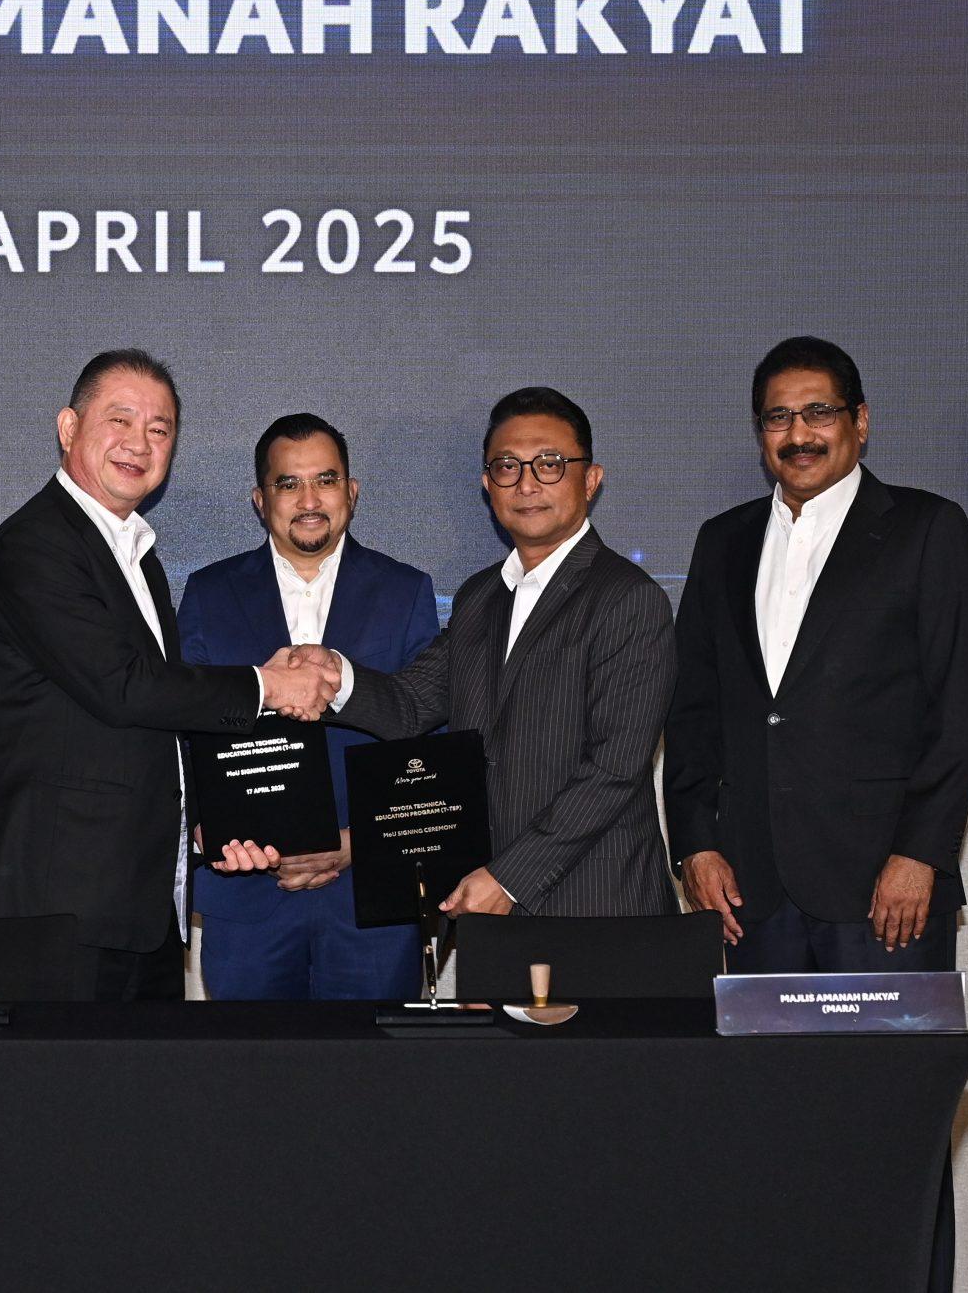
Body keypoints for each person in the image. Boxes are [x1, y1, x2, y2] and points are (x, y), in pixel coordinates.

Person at [661, 335, 968, 1293]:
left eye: (818, 412)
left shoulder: (926, 529)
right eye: (778, 416)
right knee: (771, 1138)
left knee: (893, 1139)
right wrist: (697, 844)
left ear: (860, 421)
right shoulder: (723, 541)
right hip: (755, 899)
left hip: (883, 896)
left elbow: (963, 705)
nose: (798, 433)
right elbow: (695, 711)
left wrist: (921, 852)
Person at [0, 350, 335, 1001]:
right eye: (120, 420)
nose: (139, 442)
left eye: (159, 428)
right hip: (62, 908)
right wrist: (268, 685)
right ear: (68, 427)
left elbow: (160, 719)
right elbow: (124, 687)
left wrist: (218, 815)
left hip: (141, 901)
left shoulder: (137, 555)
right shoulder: (36, 544)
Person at [263, 387, 677, 920]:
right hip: (487, 903)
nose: (526, 483)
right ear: (487, 485)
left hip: (597, 906)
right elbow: (411, 705)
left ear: (591, 479)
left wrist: (508, 879)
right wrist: (335, 674)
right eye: (507, 466)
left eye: (549, 463)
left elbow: (614, 770)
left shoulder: (629, 598)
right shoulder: (480, 597)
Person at [179, 413, 442, 1000]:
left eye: (325, 479)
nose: (309, 500)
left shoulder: (406, 591)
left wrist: (356, 843)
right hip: (246, 896)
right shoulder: (208, 593)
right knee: (252, 1058)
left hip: (370, 900)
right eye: (288, 483)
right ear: (260, 499)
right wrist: (207, 826)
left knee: (372, 1059)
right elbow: (183, 734)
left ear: (351, 491)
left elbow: (429, 741)